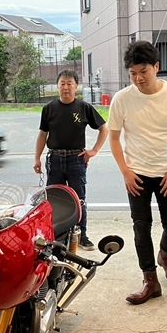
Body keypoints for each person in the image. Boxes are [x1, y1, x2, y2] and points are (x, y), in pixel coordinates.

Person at [108, 41, 167, 305]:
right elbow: (114, 138)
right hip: (137, 174)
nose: (138, 78)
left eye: (143, 71)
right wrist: (125, 171)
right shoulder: (122, 99)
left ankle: (165, 255)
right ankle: (150, 280)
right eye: (133, 73)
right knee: (141, 227)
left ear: (156, 67)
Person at [34, 69, 108, 250]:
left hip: (76, 159)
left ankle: (81, 236)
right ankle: (57, 236)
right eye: (62, 84)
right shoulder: (49, 108)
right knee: (54, 199)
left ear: (76, 86)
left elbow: (104, 129)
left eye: (69, 84)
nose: (66, 87)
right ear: (57, 86)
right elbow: (43, 135)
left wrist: (94, 150)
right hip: (55, 160)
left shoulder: (84, 108)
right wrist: (37, 158)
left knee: (79, 199)